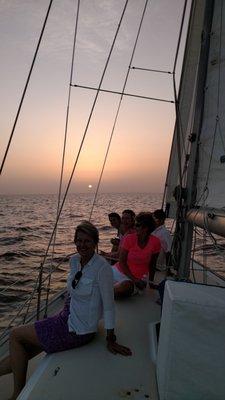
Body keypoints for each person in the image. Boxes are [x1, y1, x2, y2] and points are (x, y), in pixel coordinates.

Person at [0, 221, 132, 400]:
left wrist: (111, 338)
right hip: (66, 317)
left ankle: (17, 394)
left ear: (95, 243)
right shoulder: (74, 261)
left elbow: (109, 306)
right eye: (78, 240)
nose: (81, 245)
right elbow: (74, 292)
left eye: (87, 241)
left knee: (16, 335)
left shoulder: (102, 268)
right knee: (25, 347)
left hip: (78, 330)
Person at [112, 212, 161, 298]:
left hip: (136, 279)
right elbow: (122, 262)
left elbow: (152, 264)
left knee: (125, 288)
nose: (134, 227)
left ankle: (104, 292)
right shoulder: (129, 238)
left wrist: (151, 283)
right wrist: (134, 280)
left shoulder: (155, 242)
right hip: (119, 271)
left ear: (146, 228)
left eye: (137, 225)